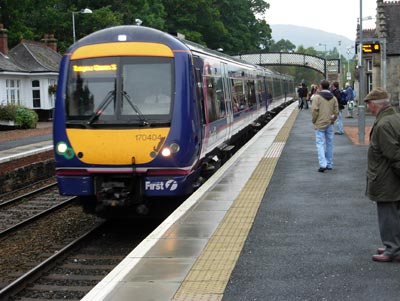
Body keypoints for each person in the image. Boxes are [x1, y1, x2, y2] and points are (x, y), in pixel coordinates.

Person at [364, 87, 400, 262]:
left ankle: (392, 250)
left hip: (386, 179)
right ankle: (394, 246)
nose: (368, 108)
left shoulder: (384, 124)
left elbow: (393, 154)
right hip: (391, 178)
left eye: (369, 104)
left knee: (388, 216)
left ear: (374, 105)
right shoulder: (395, 117)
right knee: (395, 214)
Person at [311, 79, 339, 172]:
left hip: (319, 124)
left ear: (321, 87)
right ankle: (329, 164)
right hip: (330, 124)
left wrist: (314, 121)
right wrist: (332, 120)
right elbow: (336, 112)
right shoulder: (333, 98)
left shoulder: (317, 97)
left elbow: (314, 110)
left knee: (320, 144)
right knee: (329, 143)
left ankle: (323, 164)